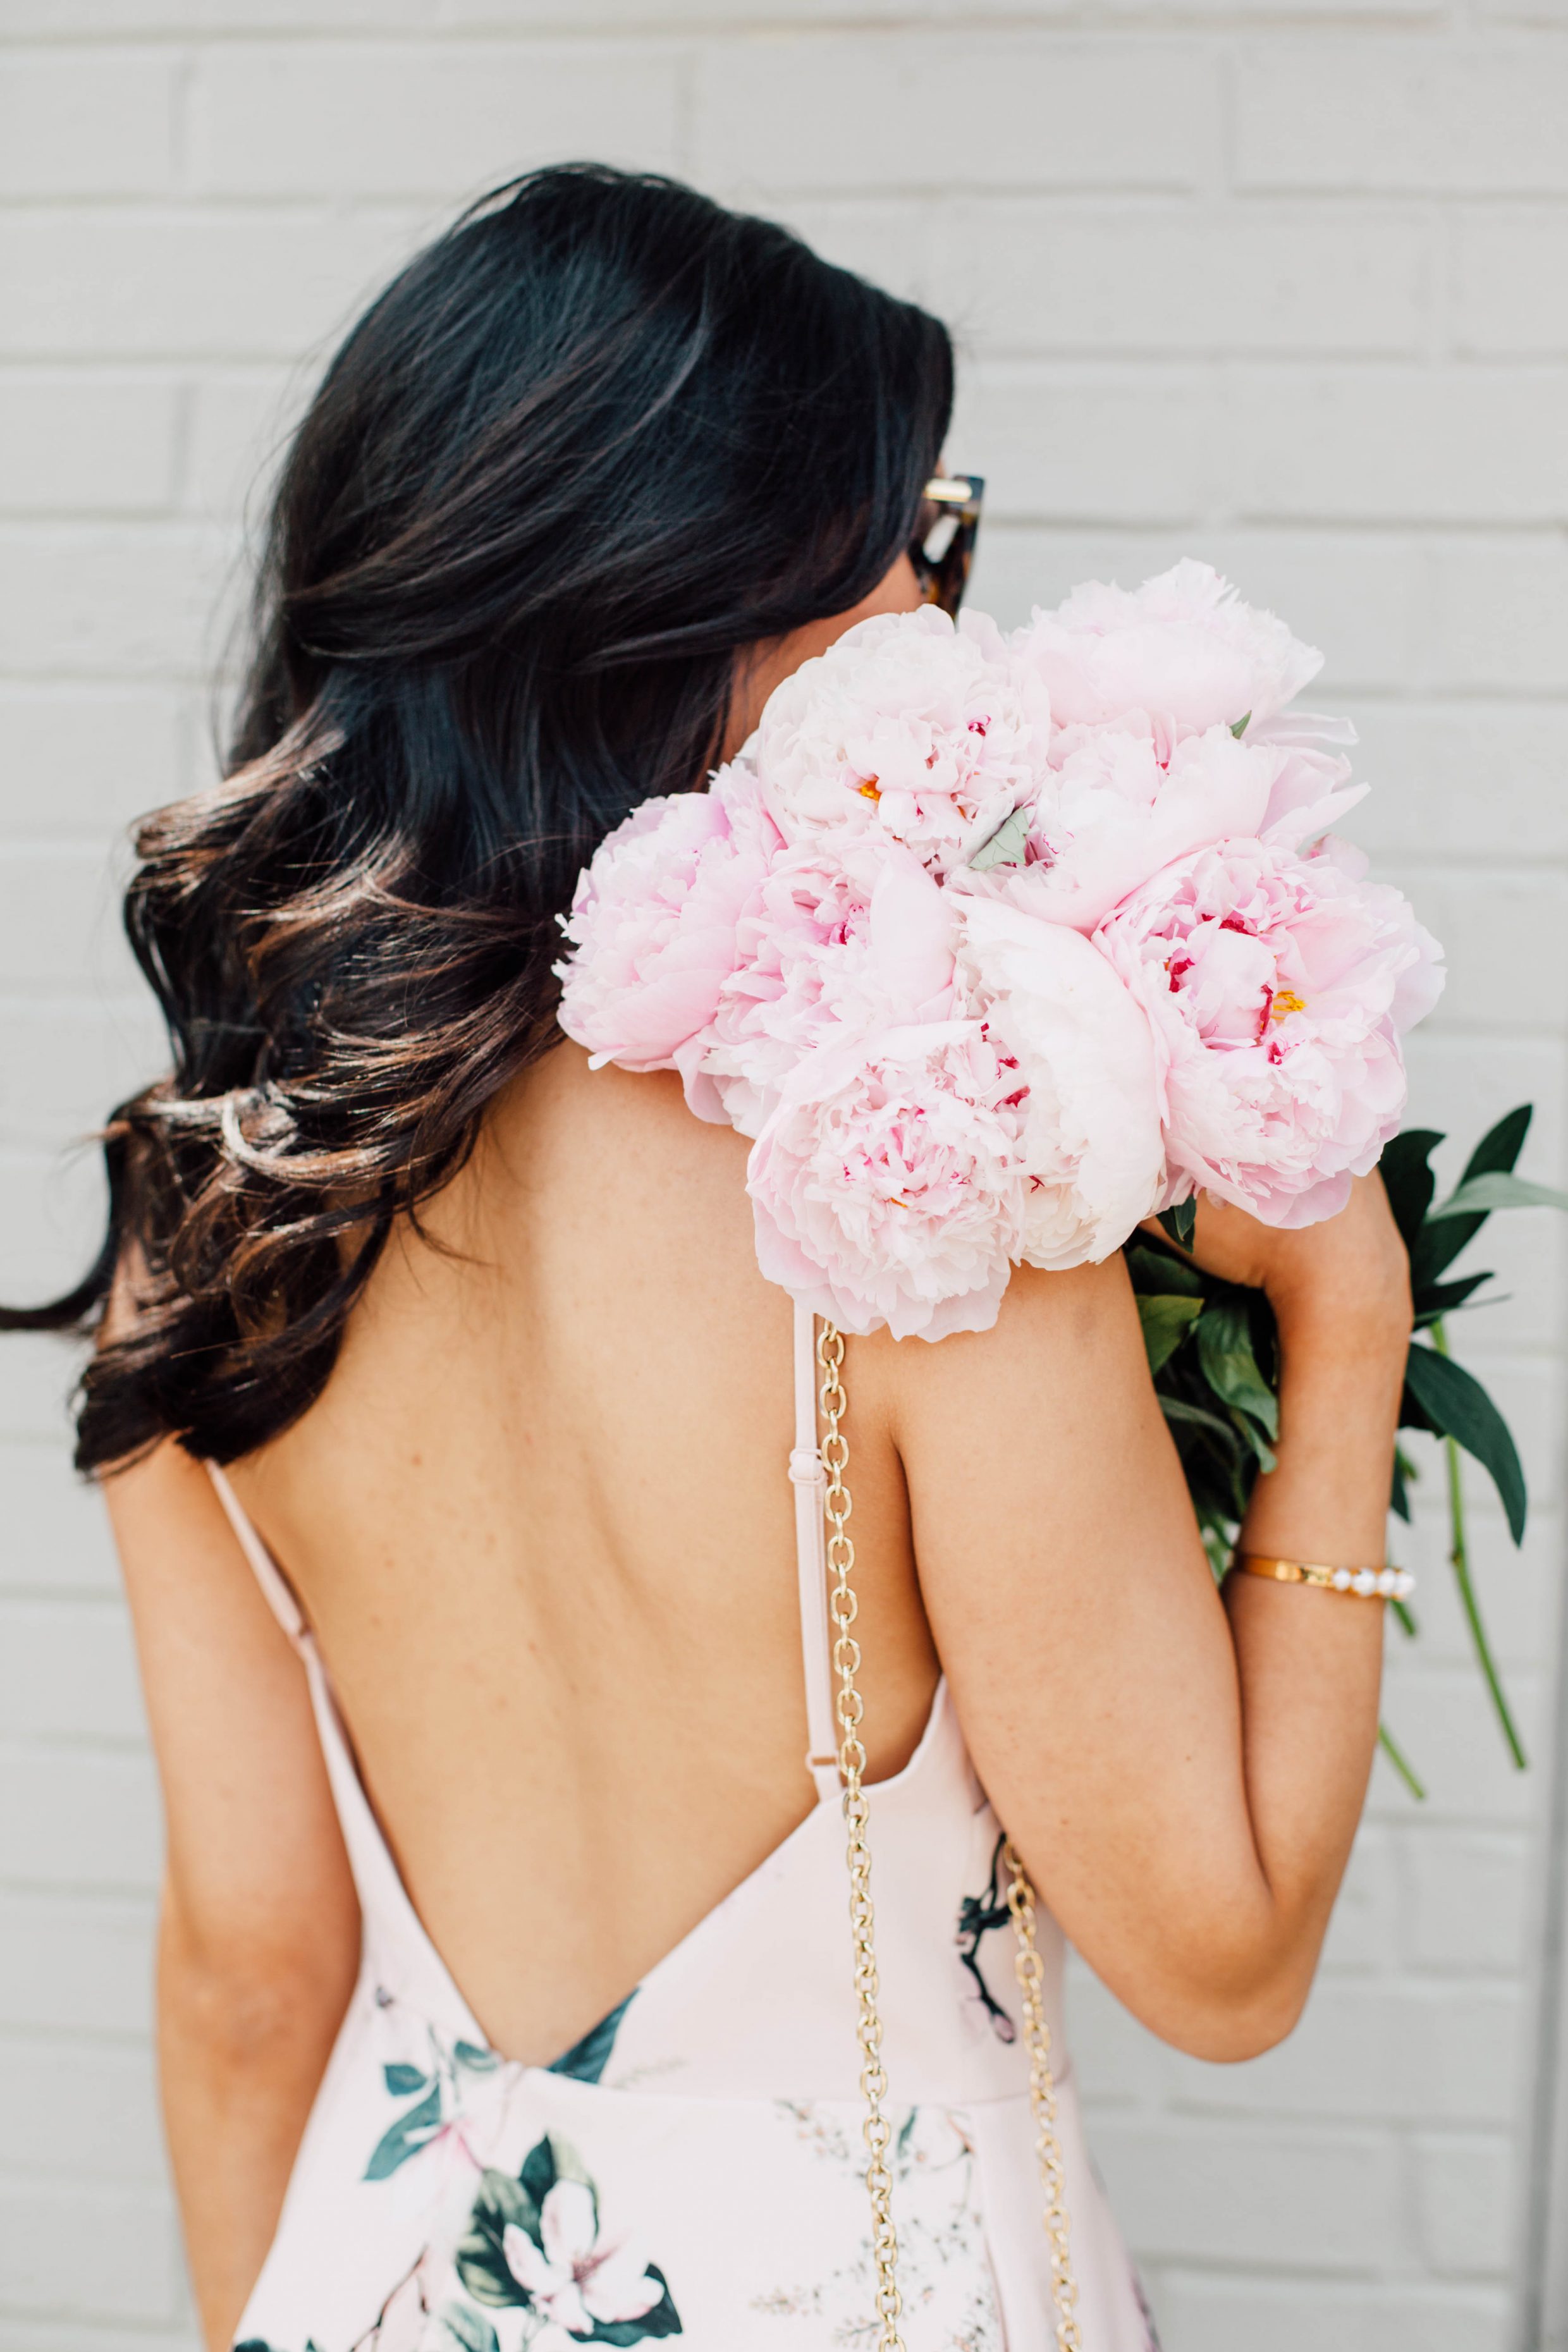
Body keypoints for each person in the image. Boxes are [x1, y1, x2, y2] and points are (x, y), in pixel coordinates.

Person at [5, 166, 1411, 2352]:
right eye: (923, 537)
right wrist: (1347, 1326)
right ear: (694, 590)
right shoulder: (918, 1166)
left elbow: (250, 1974)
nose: (954, 617)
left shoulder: (211, 1205)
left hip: (395, 2286)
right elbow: (1219, 1960)